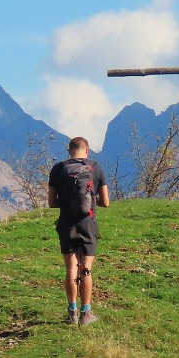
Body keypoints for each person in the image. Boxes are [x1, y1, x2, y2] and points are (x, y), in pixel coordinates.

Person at [47, 137, 109, 325]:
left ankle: (72, 312)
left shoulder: (58, 169)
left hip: (67, 223)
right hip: (88, 224)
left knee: (71, 267)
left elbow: (51, 202)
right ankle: (86, 313)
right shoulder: (96, 168)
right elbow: (105, 202)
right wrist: (90, 202)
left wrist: (67, 203)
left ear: (69, 150)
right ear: (87, 150)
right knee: (86, 269)